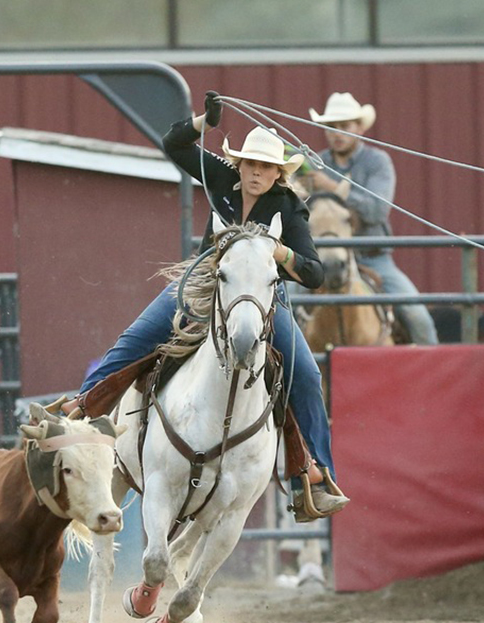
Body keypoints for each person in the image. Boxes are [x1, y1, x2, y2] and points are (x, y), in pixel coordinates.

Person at [73, 93, 349, 521]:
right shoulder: (221, 178)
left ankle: (314, 474)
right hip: (204, 282)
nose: (256, 173)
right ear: (239, 166)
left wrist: (279, 254)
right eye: (250, 165)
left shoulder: (290, 208)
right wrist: (205, 121)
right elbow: (175, 146)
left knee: (306, 375)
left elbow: (314, 273)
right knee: (138, 336)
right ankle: (81, 410)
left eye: (265, 167)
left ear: (278, 173)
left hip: (260, 298)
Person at [301, 92, 437, 346]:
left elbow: (376, 210)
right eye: (331, 127)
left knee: (418, 318)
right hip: (324, 261)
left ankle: (432, 380)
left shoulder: (377, 162)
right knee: (284, 309)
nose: (337, 134)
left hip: (374, 260)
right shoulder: (314, 164)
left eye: (344, 127)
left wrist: (331, 187)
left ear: (359, 128)